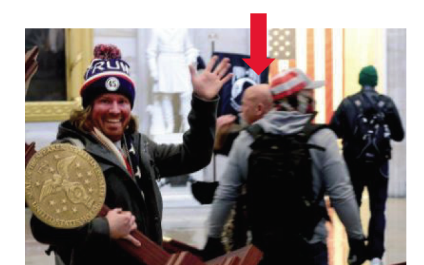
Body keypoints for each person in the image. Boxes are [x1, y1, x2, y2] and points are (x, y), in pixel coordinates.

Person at [30, 44, 233, 265]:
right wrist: (104, 228)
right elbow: (44, 229)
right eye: (105, 100)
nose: (115, 110)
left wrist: (203, 104)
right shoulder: (69, 153)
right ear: (88, 107)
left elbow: (194, 156)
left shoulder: (139, 145)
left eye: (123, 101)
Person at [203, 68, 366, 265]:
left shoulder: (247, 140)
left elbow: (226, 193)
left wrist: (213, 238)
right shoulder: (322, 139)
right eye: (310, 95)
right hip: (309, 248)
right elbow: (341, 193)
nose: (315, 100)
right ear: (300, 99)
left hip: (262, 248)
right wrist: (356, 239)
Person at [330, 65, 405, 265]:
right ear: (375, 81)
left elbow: (334, 131)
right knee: (378, 209)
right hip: (380, 167)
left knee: (352, 208)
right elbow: (399, 135)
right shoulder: (387, 103)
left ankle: (355, 252)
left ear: (360, 80)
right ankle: (376, 255)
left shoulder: (347, 103)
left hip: (354, 165)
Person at [146, 28, 199, 134]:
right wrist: (154, 71)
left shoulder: (183, 29)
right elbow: (150, 52)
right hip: (164, 63)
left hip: (180, 61)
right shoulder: (157, 30)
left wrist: (190, 60)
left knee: (186, 94)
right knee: (165, 95)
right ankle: (169, 125)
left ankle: (187, 124)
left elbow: (189, 48)